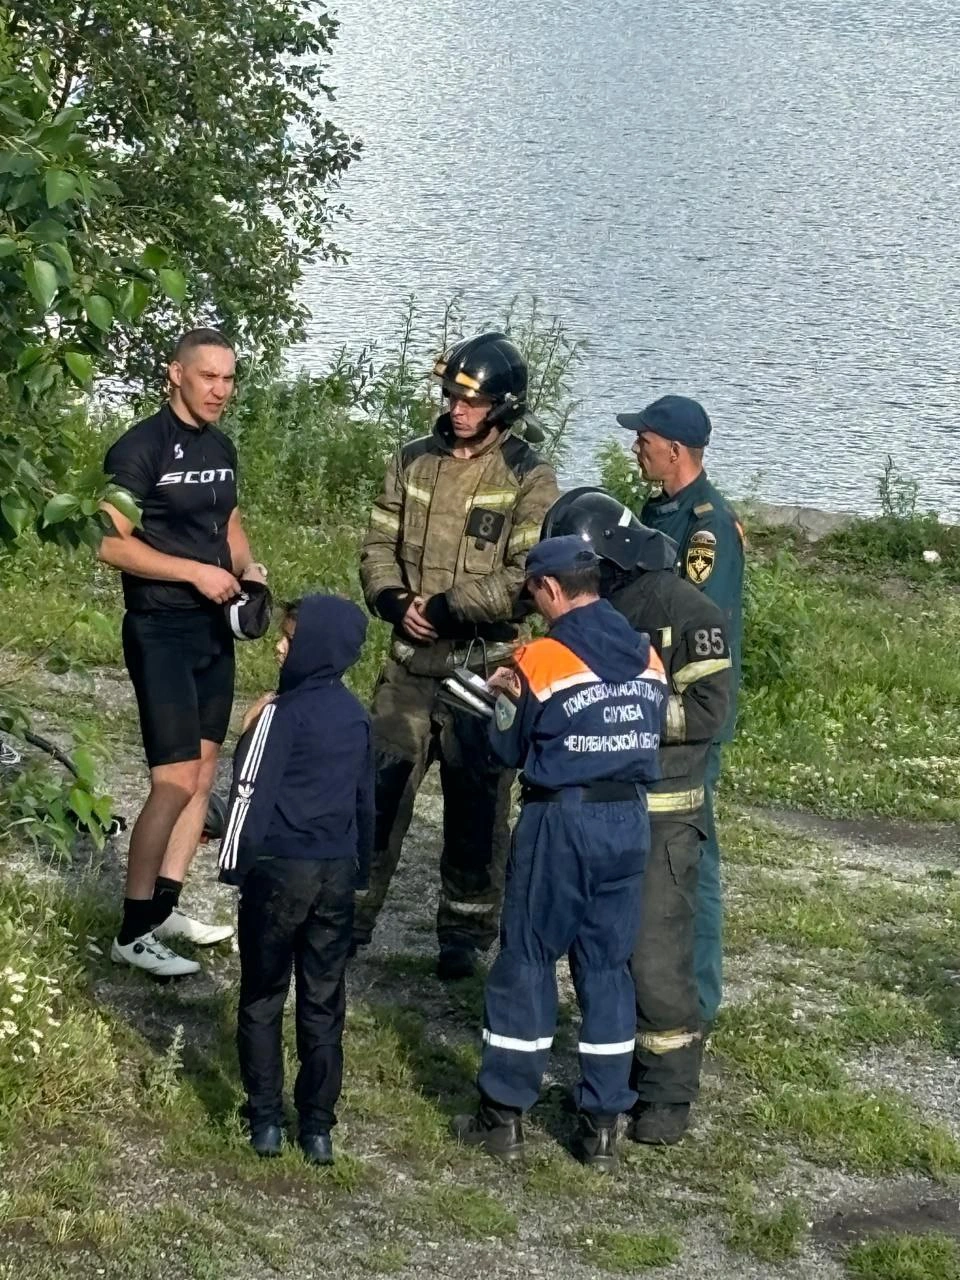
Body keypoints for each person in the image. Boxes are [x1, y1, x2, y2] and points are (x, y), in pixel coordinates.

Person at [453, 536, 667, 1170]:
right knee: (606, 967)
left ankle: (503, 1113)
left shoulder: (537, 660)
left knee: (528, 957)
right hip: (629, 816)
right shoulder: (647, 653)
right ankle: (603, 1119)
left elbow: (508, 750)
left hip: (562, 818)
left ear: (549, 590)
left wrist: (496, 696)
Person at [357, 331, 559, 979]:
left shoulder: (529, 475)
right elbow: (376, 544)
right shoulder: (412, 460)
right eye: (451, 397)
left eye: (471, 401)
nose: (457, 410)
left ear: (503, 407)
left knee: (477, 806)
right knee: (377, 792)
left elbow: (529, 574)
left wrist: (446, 607)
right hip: (409, 667)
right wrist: (394, 602)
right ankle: (351, 916)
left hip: (482, 669)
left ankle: (464, 937)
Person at [541, 487, 731, 1146]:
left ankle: (670, 1091)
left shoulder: (690, 610)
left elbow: (707, 712)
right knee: (601, 953)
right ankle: (611, 1078)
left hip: (665, 815)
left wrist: (626, 718)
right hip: (602, 809)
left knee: (655, 958)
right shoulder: (597, 607)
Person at [99, 328, 266, 978]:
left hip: (212, 632)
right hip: (159, 630)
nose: (221, 390)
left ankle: (166, 907)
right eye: (209, 377)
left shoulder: (221, 448)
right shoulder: (138, 449)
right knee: (170, 782)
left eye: (229, 378)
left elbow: (228, 525)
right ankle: (131, 928)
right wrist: (193, 574)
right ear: (176, 375)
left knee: (201, 774)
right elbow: (109, 543)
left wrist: (250, 570)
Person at [218, 595, 374, 1164]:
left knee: (262, 994)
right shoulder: (357, 716)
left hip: (279, 874)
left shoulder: (280, 713)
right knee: (323, 1001)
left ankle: (264, 1119)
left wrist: (234, 866)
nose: (280, 646)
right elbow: (365, 803)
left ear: (314, 647)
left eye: (288, 638)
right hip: (335, 875)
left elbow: (249, 793)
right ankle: (317, 1128)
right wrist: (359, 873)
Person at [615, 394, 744, 1030]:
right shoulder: (654, 512)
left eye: (643, 438)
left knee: (692, 854)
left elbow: (694, 623)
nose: (635, 446)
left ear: (675, 449)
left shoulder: (705, 528)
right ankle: (649, 978)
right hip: (648, 706)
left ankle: (698, 994)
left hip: (688, 712)